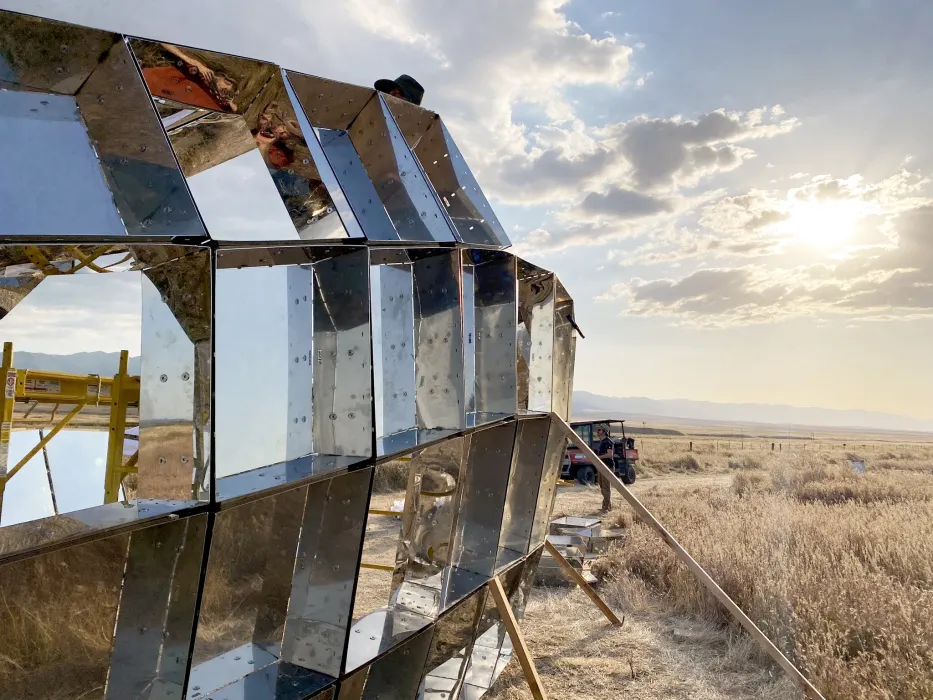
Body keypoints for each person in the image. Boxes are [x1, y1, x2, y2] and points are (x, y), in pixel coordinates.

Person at [594, 425, 614, 512]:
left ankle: (606, 508)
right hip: (601, 466)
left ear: (604, 431)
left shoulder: (608, 442)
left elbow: (610, 454)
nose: (597, 432)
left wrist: (598, 457)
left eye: (599, 430)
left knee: (605, 487)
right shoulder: (601, 442)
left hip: (607, 466)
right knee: (602, 486)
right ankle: (607, 506)